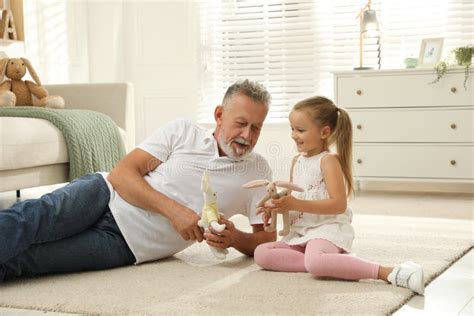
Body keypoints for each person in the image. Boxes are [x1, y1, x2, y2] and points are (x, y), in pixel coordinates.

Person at [0, 79, 276, 282]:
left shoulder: (258, 172)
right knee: (30, 220)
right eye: (241, 123)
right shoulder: (183, 132)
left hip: (126, 244)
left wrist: (234, 237)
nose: (247, 135)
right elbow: (122, 174)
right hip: (104, 194)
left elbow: (266, 240)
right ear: (219, 115)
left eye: (256, 128)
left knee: (28, 260)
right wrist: (175, 212)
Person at [254, 96, 424, 295]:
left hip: (326, 228)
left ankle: (388, 272)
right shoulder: (296, 161)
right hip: (301, 232)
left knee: (315, 263)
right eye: (292, 128)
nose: (293, 135)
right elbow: (292, 202)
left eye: (300, 130)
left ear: (324, 132)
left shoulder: (328, 161)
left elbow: (338, 204)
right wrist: (276, 209)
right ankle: (334, 263)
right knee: (262, 254)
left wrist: (295, 203)